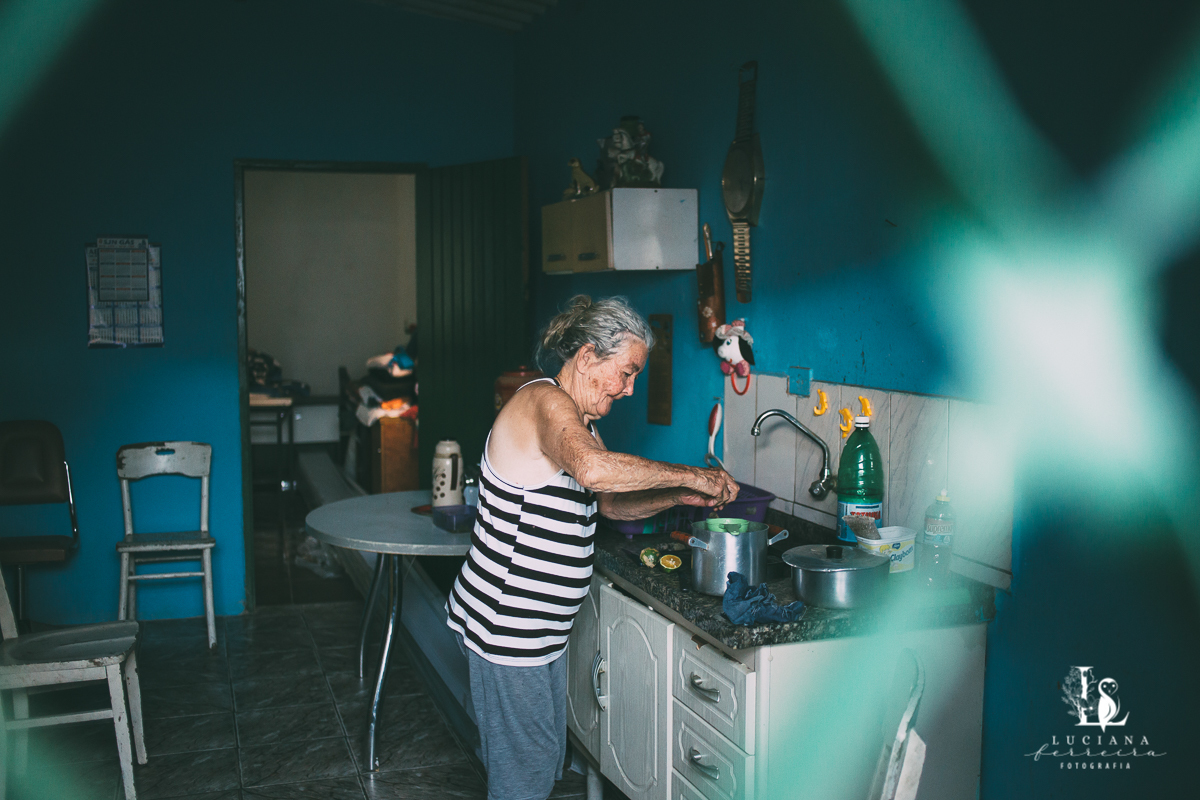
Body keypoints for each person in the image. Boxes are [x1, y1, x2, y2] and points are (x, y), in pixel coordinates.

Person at [446, 295, 739, 800]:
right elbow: (595, 470)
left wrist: (679, 494)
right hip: (507, 628)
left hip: (536, 634)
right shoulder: (543, 402)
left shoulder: (580, 423)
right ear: (586, 357)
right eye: (626, 373)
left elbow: (609, 503)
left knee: (538, 765)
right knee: (525, 778)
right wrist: (695, 474)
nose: (629, 389)